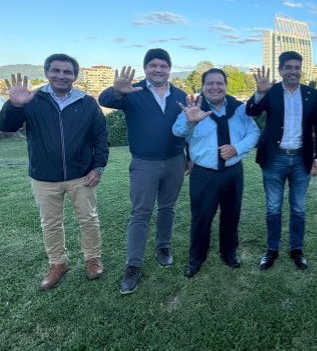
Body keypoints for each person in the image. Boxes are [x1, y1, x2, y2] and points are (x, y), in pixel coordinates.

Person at [0, 54, 108, 290]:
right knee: (50, 223)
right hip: (44, 177)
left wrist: (98, 166)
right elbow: (6, 126)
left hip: (81, 175)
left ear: (75, 76)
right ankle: (58, 263)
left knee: (88, 219)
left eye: (67, 72)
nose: (61, 75)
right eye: (56, 70)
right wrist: (14, 105)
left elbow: (100, 137)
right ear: (47, 72)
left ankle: (93, 258)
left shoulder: (87, 102)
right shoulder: (32, 99)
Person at [99, 48, 189, 295]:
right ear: (145, 68)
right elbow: (105, 100)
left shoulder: (180, 95)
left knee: (168, 208)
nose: (158, 70)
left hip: (175, 161)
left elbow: (188, 126)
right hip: (144, 163)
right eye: (153, 65)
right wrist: (117, 90)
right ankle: (133, 265)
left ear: (169, 69)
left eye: (163, 66)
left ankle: (163, 246)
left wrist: (190, 156)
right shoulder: (133, 91)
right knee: (140, 213)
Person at [173, 68, 259, 278]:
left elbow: (254, 132)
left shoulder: (239, 108)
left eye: (219, 83)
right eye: (209, 83)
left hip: (233, 172)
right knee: (201, 217)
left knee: (231, 214)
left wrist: (236, 148)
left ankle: (229, 252)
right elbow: (177, 131)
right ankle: (196, 258)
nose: (215, 87)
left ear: (226, 86)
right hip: (204, 174)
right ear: (202, 86)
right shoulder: (194, 108)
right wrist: (190, 122)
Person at [246, 51, 317, 270]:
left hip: (302, 158)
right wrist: (259, 93)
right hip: (275, 158)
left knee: (298, 207)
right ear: (280, 70)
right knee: (273, 207)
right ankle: (272, 250)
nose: (293, 71)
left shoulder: (311, 94)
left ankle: (296, 249)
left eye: (297, 67)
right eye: (288, 67)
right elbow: (251, 110)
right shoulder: (270, 91)